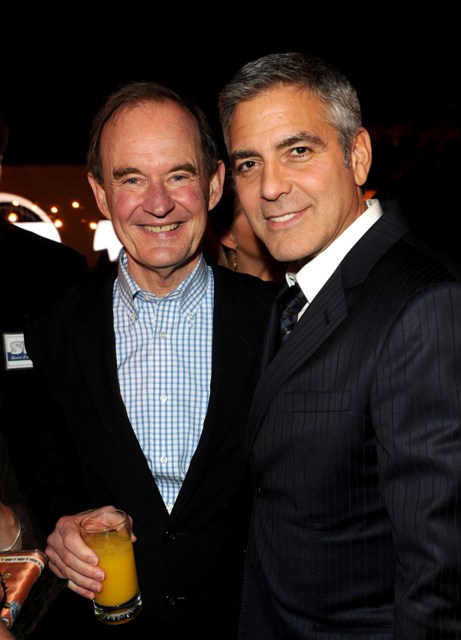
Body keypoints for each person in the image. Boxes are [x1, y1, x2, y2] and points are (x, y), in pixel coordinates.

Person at [217, 51, 461, 638]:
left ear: (358, 155)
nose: (270, 187)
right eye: (249, 163)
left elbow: (441, 576)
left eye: (298, 151)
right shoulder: (295, 293)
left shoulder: (425, 303)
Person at [23, 81, 277, 639]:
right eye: (131, 178)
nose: (158, 203)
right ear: (100, 193)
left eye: (179, 175)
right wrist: (62, 525)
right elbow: (47, 466)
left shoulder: (280, 322)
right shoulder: (53, 331)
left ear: (214, 184)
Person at [205, 171, 286, 283]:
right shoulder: (217, 290)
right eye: (253, 213)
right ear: (228, 237)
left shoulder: (299, 278)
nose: (274, 215)